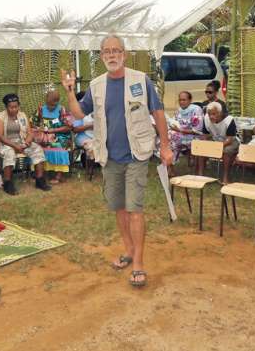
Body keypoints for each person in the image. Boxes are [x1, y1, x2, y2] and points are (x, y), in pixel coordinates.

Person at [61, 35, 173, 287]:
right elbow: (79, 113)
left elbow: (158, 113)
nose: (112, 55)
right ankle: (129, 250)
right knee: (119, 207)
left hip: (136, 154)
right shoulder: (97, 85)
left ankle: (139, 264)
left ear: (124, 54)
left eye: (116, 51)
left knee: (134, 208)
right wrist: (69, 92)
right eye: (107, 52)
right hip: (109, 157)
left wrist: (165, 145)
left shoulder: (140, 80)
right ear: (101, 56)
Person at [0, 93, 51, 195]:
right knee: (9, 152)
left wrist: (28, 141)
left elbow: (29, 132)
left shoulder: (22, 115)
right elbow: (0, 136)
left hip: (21, 142)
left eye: (16, 107)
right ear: (6, 107)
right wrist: (14, 146)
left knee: (37, 149)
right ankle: (7, 183)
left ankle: (39, 180)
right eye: (11, 107)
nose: (14, 109)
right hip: (5, 144)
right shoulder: (0, 117)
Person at [32, 88, 73, 184]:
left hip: (60, 135)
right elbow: (32, 123)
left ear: (57, 102)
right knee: (37, 144)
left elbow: (68, 127)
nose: (51, 107)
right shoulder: (41, 109)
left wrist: (52, 130)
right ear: (46, 100)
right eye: (49, 104)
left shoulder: (62, 110)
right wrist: (39, 128)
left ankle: (58, 175)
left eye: (53, 104)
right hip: (44, 134)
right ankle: (40, 173)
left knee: (58, 145)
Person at [198, 102, 239, 183]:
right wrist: (205, 143)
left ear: (220, 113)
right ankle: (200, 175)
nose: (211, 116)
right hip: (216, 141)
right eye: (209, 114)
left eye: (214, 114)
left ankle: (225, 177)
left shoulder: (229, 120)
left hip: (231, 141)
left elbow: (230, 139)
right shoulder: (206, 118)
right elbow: (205, 135)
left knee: (226, 151)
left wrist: (217, 147)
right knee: (201, 147)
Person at [168, 91, 203, 174]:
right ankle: (171, 168)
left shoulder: (196, 110)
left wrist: (180, 130)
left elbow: (197, 130)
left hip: (194, 136)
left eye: (184, 100)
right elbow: (175, 122)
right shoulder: (179, 111)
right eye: (180, 100)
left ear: (190, 100)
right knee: (168, 139)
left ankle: (199, 171)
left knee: (174, 139)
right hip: (181, 135)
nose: (181, 102)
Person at [72, 91, 95, 159]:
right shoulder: (77, 113)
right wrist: (90, 126)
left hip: (97, 136)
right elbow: (75, 129)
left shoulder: (96, 109)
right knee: (91, 145)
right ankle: (90, 167)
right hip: (82, 137)